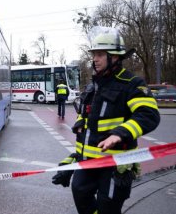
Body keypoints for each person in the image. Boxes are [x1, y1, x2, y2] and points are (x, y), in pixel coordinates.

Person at [52, 26, 160, 214]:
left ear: (115, 56)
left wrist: (120, 134)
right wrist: (72, 157)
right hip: (88, 161)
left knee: (107, 206)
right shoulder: (93, 85)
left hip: (115, 164)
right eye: (94, 54)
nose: (95, 59)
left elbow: (149, 115)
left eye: (100, 54)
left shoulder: (131, 84)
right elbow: (86, 121)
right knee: (79, 193)